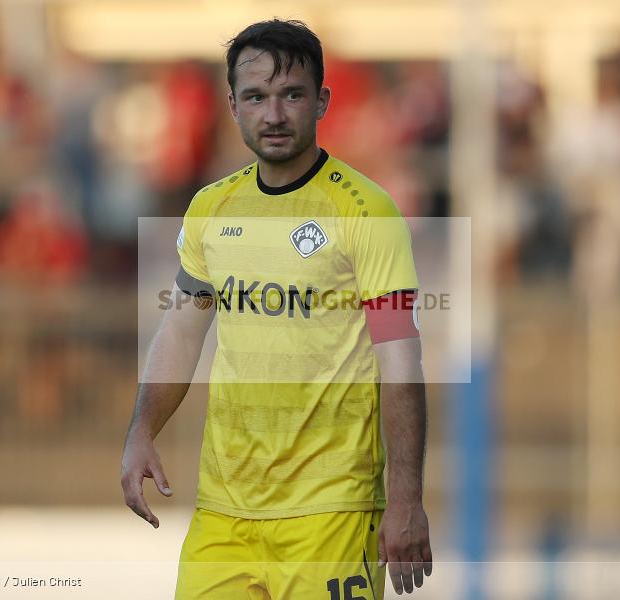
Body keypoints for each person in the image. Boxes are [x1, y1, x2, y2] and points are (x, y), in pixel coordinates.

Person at [121, 19, 432, 598]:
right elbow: (182, 333)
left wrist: (407, 498)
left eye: (292, 94)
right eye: (256, 97)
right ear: (232, 106)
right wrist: (142, 430)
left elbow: (401, 364)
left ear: (322, 102)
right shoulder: (211, 208)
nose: (274, 114)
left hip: (331, 512)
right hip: (224, 512)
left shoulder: (366, 210)